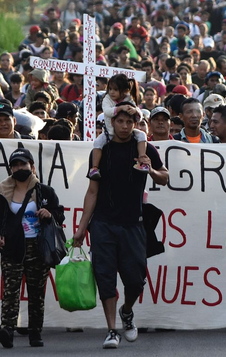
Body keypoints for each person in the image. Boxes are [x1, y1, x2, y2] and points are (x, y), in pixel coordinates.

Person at [73, 104, 169, 349]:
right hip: (103, 224)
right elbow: (92, 191)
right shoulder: (101, 150)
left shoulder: (144, 147)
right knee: (105, 278)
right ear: (112, 123)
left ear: (135, 124)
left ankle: (127, 311)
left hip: (133, 225)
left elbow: (164, 177)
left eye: (130, 122)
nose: (125, 126)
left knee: (136, 280)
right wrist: (82, 227)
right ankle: (112, 330)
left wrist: (150, 169)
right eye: (121, 122)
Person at [0, 148, 65, 349]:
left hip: (38, 247)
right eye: (15, 165)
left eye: (23, 164)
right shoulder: (2, 191)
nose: (19, 168)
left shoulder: (45, 191)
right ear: (10, 168)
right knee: (10, 291)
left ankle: (35, 332)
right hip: (13, 247)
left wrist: (50, 213)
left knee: (36, 292)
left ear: (32, 166)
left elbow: (59, 214)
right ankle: (7, 329)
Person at [89, 75, 148, 180]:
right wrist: (120, 108)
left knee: (142, 135)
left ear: (125, 90)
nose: (112, 92)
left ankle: (142, 160)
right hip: (110, 132)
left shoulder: (129, 98)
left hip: (128, 132)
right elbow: (107, 111)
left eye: (115, 89)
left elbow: (138, 114)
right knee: (98, 143)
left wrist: (135, 111)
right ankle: (94, 168)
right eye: (110, 89)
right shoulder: (107, 99)